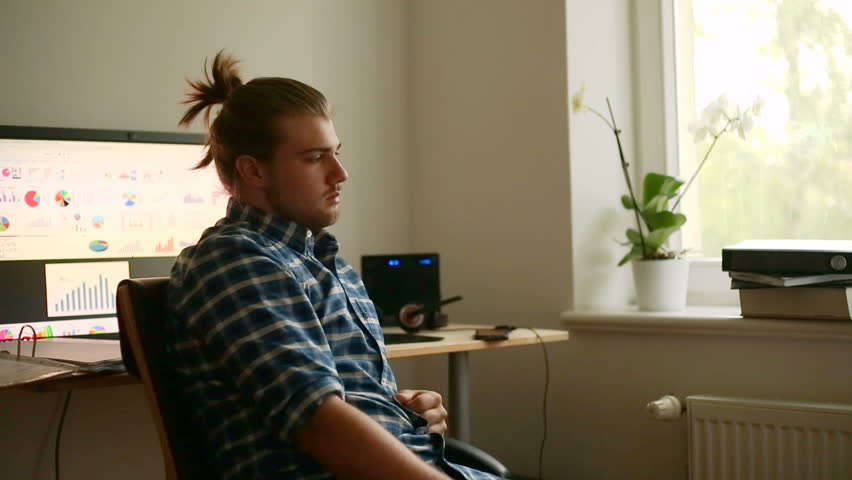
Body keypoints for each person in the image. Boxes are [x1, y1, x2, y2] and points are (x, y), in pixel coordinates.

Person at [166, 51, 500, 480]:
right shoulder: (234, 261)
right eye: (314, 158)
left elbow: (346, 401)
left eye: (336, 153)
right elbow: (320, 425)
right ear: (253, 170)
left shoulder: (326, 264)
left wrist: (409, 411)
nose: (340, 173)